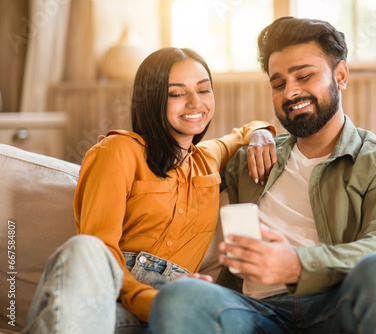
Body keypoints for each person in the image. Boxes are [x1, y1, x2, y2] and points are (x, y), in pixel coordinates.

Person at [149, 17, 376, 333]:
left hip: (338, 306)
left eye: (305, 76)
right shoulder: (248, 159)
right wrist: (129, 148)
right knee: (180, 296)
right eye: (278, 83)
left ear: (340, 75)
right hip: (252, 313)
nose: (290, 92)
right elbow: (175, 176)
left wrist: (296, 265)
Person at [24, 47, 277, 333]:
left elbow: (244, 132)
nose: (196, 103)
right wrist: (149, 300)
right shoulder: (117, 151)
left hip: (171, 309)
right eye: (177, 94)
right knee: (85, 248)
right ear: (152, 99)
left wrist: (261, 133)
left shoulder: (208, 159)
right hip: (104, 297)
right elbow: (99, 249)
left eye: (204, 90)